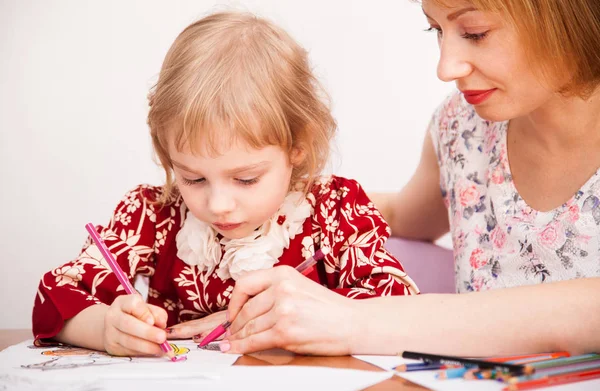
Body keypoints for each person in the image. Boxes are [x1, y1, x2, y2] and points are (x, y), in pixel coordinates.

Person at [219, 0, 600, 356]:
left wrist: (353, 321)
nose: (445, 68)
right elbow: (401, 215)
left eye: (475, 32)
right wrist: (254, 196)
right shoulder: (463, 129)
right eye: (435, 30)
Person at [31, 11, 419, 357]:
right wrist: (104, 328)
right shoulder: (154, 215)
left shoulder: (335, 211)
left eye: (246, 178)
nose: (218, 204)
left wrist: (276, 318)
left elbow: (397, 300)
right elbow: (54, 295)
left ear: (297, 148)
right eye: (193, 177)